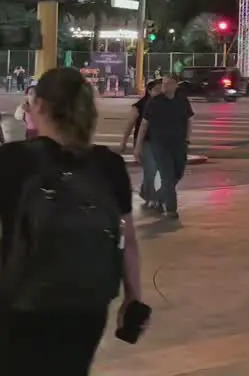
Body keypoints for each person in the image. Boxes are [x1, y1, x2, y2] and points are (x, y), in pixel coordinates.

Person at [0, 68, 143, 374]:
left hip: (21, 303)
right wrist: (134, 299)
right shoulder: (108, 164)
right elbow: (127, 239)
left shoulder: (12, 159)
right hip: (88, 304)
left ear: (38, 105)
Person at [135, 74, 194, 219]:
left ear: (175, 85)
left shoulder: (182, 101)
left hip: (179, 144)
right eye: (163, 84)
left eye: (168, 84)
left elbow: (189, 120)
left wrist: (187, 139)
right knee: (167, 176)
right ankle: (171, 209)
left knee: (177, 173)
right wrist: (138, 146)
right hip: (160, 145)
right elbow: (144, 124)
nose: (165, 87)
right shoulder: (154, 102)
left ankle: (159, 197)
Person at [122, 80, 163, 209]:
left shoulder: (165, 104)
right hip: (145, 142)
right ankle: (152, 198)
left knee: (158, 171)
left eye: (161, 89)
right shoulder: (139, 106)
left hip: (161, 143)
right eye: (157, 89)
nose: (160, 92)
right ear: (149, 91)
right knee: (150, 171)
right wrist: (124, 141)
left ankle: (146, 193)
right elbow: (129, 125)